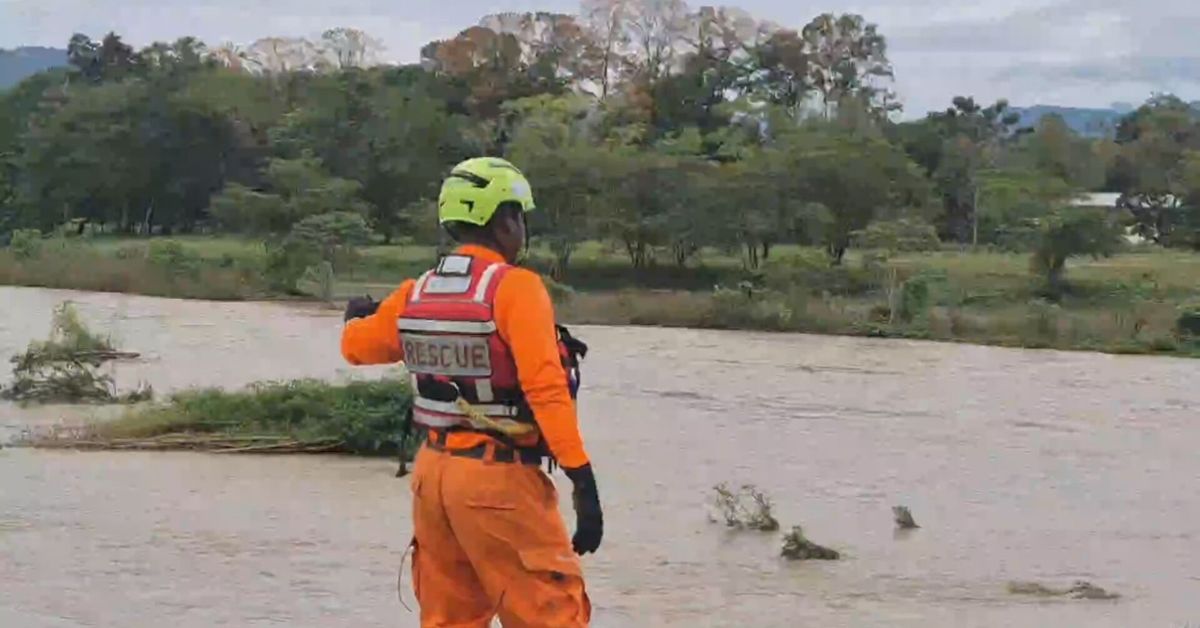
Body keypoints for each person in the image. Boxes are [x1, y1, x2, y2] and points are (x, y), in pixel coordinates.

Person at [340, 157, 602, 627]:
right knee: (551, 613)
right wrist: (582, 481)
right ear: (503, 221)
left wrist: (355, 317)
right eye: (518, 217)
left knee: (449, 619)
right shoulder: (516, 289)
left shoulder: (415, 291)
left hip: (434, 477)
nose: (521, 229)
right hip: (498, 480)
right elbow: (546, 389)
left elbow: (357, 347)